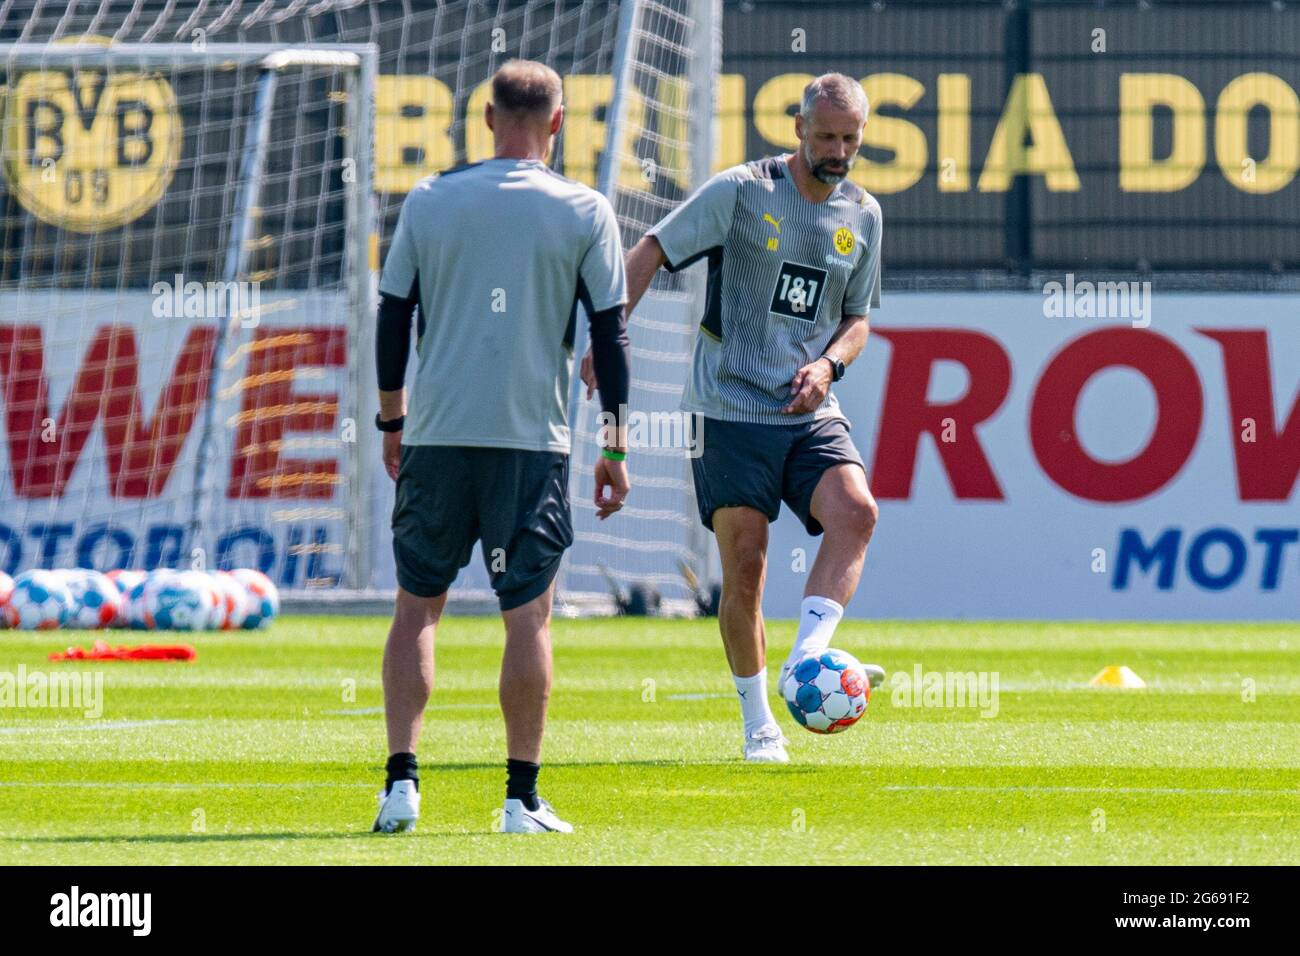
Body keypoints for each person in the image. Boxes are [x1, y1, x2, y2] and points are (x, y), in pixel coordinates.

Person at [584, 73, 884, 763]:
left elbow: (858, 318)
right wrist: (610, 335)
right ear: (798, 128)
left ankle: (805, 659)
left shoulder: (863, 214)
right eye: (827, 135)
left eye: (851, 137)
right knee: (746, 566)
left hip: (808, 407)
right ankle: (759, 724)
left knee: (858, 513)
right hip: (728, 408)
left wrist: (830, 366)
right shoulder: (743, 191)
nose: (838, 149)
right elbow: (654, 247)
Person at [373, 59, 631, 832]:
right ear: (559, 121)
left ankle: (401, 787)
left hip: (439, 436)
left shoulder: (429, 200)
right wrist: (615, 448)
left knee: (418, 609)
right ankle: (520, 799)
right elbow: (610, 338)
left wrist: (393, 423)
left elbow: (392, 320)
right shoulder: (585, 210)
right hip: (531, 442)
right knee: (528, 617)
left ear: (485, 118)